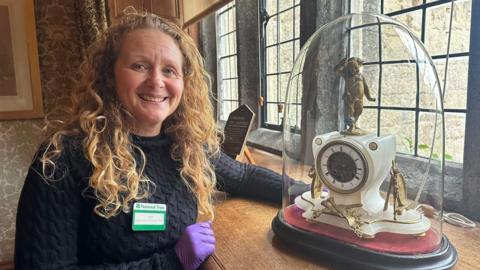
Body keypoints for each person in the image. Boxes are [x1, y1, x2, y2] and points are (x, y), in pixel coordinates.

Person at [14, 9, 287, 270]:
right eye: (139, 65)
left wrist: (311, 195)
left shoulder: (187, 147)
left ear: (184, 83)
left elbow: (244, 176)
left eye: (169, 70)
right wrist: (172, 261)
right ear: (109, 76)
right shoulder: (62, 159)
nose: (156, 81)